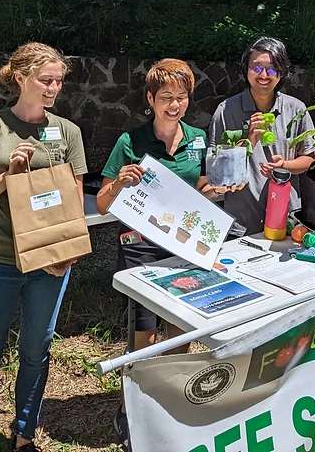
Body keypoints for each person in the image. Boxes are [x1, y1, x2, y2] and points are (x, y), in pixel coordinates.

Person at [96, 58, 235, 452]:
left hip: (186, 247)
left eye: (181, 97)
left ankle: (168, 406)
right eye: (165, 98)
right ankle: (131, 411)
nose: (173, 105)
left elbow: (203, 190)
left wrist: (224, 189)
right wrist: (120, 182)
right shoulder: (130, 142)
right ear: (150, 99)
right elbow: (104, 205)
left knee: (181, 331)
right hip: (140, 247)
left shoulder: (198, 139)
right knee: (145, 334)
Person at [0, 42, 87, 452]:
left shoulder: (67, 132)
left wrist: (66, 253)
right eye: (46, 80)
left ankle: (24, 435)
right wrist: (9, 176)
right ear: (20, 79)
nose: (53, 88)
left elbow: (74, 201)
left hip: (49, 263)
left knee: (36, 349)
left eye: (59, 81)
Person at [208, 37, 315, 237]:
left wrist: (284, 165)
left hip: (287, 220)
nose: (264, 75)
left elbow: (309, 160)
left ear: (282, 72)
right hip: (241, 222)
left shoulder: (296, 109)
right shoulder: (226, 111)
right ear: (246, 70)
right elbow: (217, 170)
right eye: (256, 68)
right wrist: (248, 141)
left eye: (272, 68)